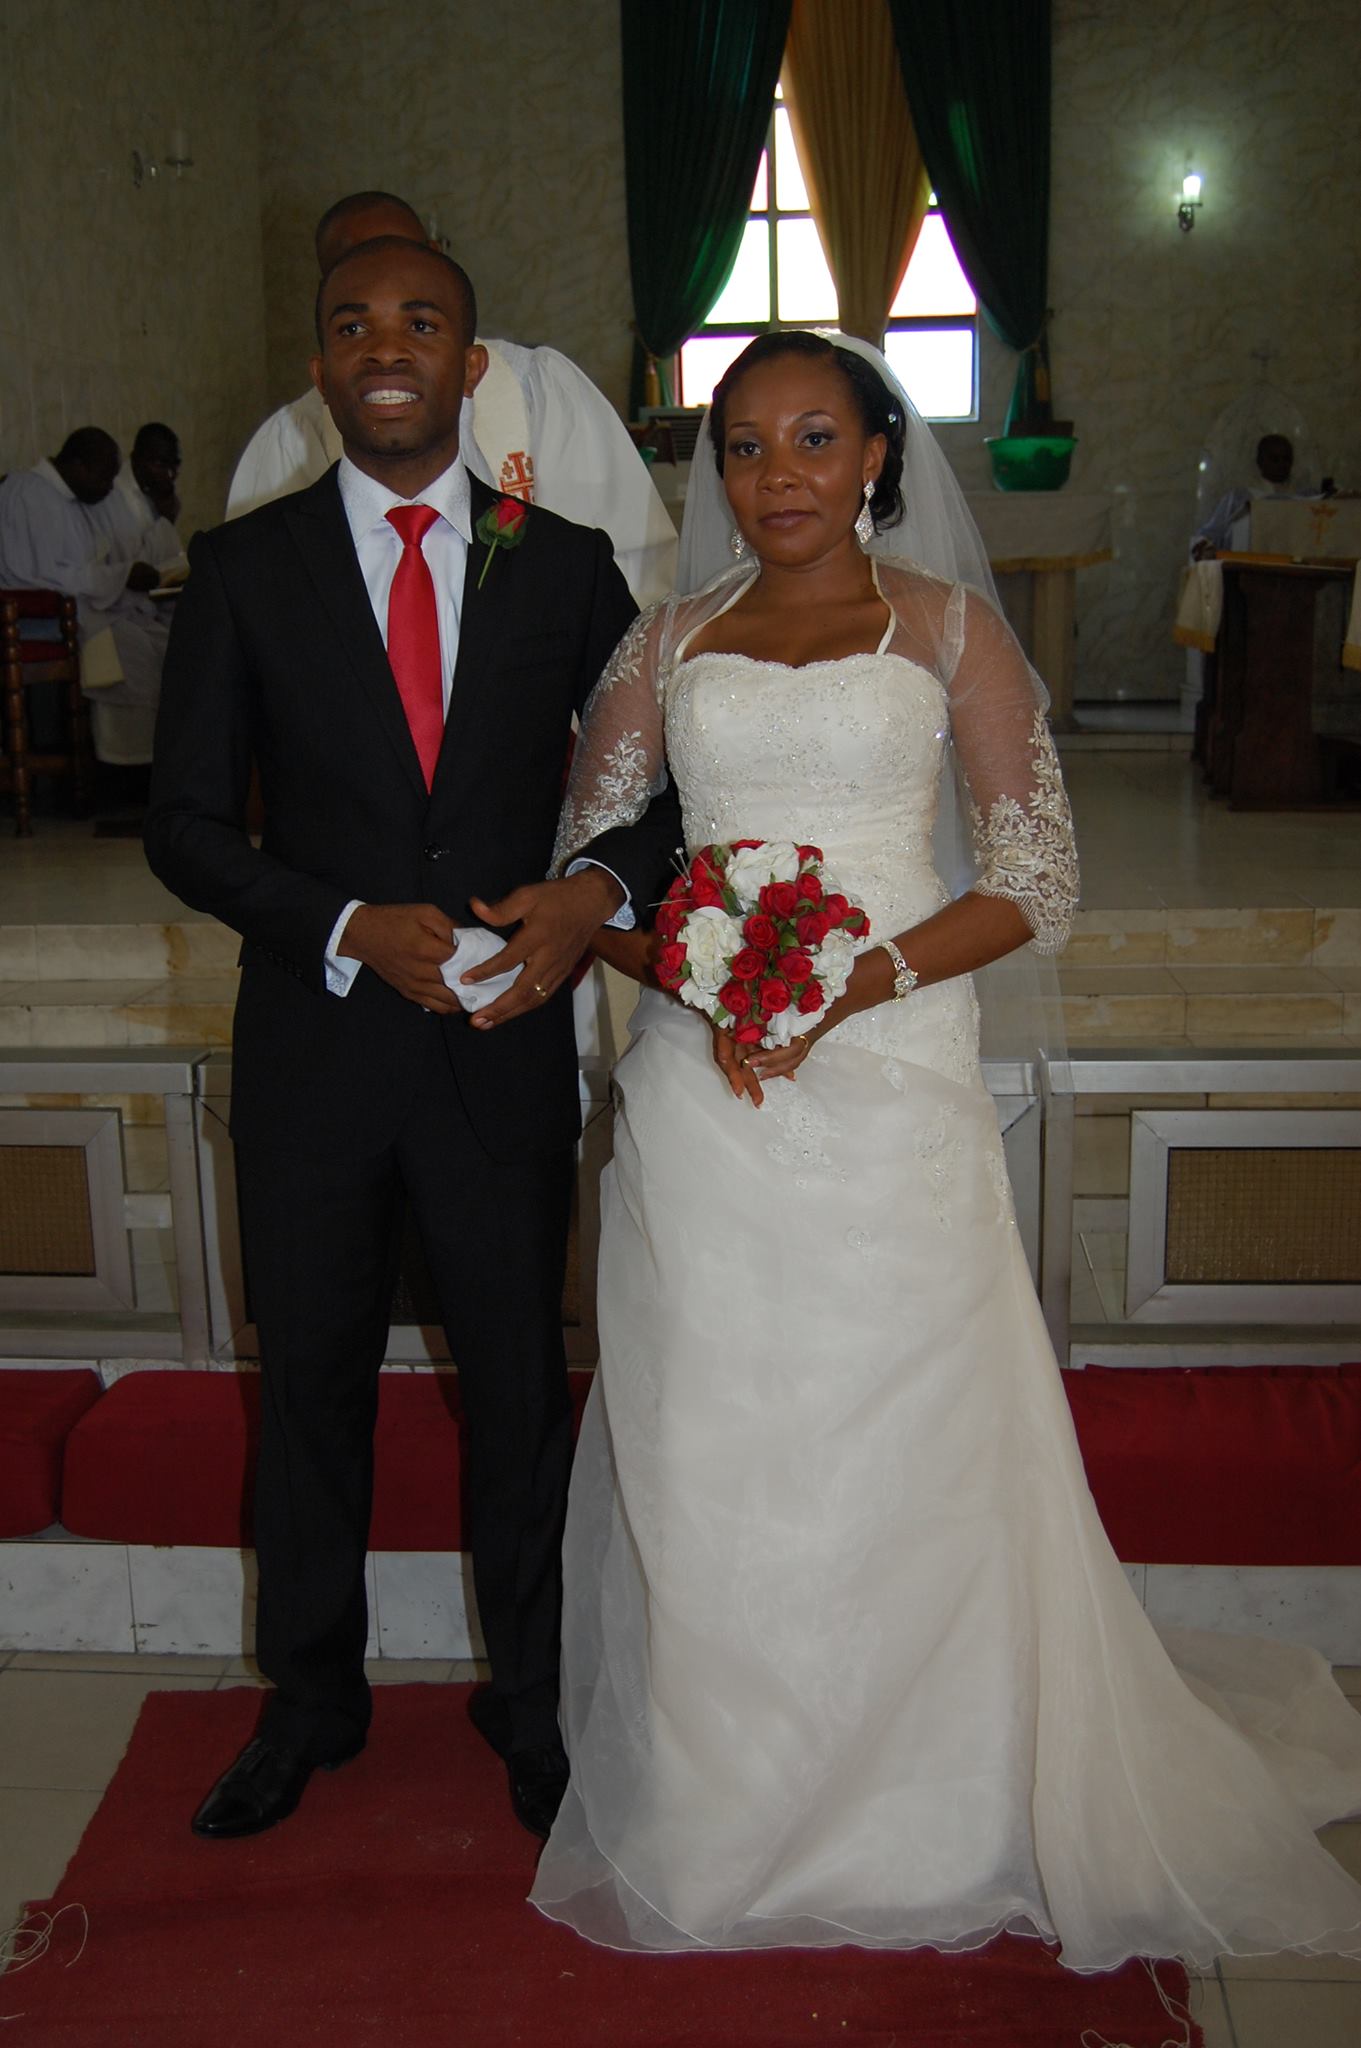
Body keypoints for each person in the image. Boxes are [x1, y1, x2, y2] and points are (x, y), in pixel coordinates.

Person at [530, 331, 1361, 1968]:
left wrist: (855, 981)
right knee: (712, 1416)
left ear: (875, 459)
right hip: (707, 1084)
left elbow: (1036, 880)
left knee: (905, 1410)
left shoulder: (950, 630)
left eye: (813, 438)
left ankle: (946, 1779)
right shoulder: (665, 640)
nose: (777, 473)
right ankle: (729, 1792)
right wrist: (698, 967)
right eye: (746, 443)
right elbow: (592, 867)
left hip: (890, 1067)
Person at [143, 236, 681, 1845]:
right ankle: (311, 1700)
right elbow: (183, 825)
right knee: (309, 1388)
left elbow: (658, 799)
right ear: (320, 366)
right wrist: (342, 923)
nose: (387, 345)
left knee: (518, 1389)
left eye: (421, 321)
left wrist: (586, 898)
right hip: (315, 1055)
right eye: (353, 324)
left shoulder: (561, 561)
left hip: (502, 1044)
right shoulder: (244, 566)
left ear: (468, 365)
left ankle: (534, 1702)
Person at [226, 190, 678, 607]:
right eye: (356, 271)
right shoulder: (289, 441)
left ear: (437, 255)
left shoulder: (538, 388)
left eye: (406, 259)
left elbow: (635, 564)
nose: (387, 350)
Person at [0, 426, 168, 765]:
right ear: (78, 466)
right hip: (32, 619)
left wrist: (122, 577)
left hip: (69, 608)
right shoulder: (31, 493)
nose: (109, 488)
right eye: (104, 477)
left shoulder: (63, 497)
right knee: (131, 646)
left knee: (160, 638)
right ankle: (124, 759)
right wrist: (121, 576)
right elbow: (47, 575)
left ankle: (155, 754)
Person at [91, 422, 188, 578]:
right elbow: (134, 573)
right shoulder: (113, 495)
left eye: (175, 465)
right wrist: (166, 522)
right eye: (160, 464)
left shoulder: (159, 489)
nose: (170, 474)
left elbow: (171, 557)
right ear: (136, 459)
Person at [1192, 431, 1302, 556]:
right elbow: (1209, 536)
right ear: (1260, 461)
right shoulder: (1238, 499)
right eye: (1274, 459)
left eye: (1286, 459)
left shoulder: (1303, 501)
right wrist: (1204, 546)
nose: (1282, 464)